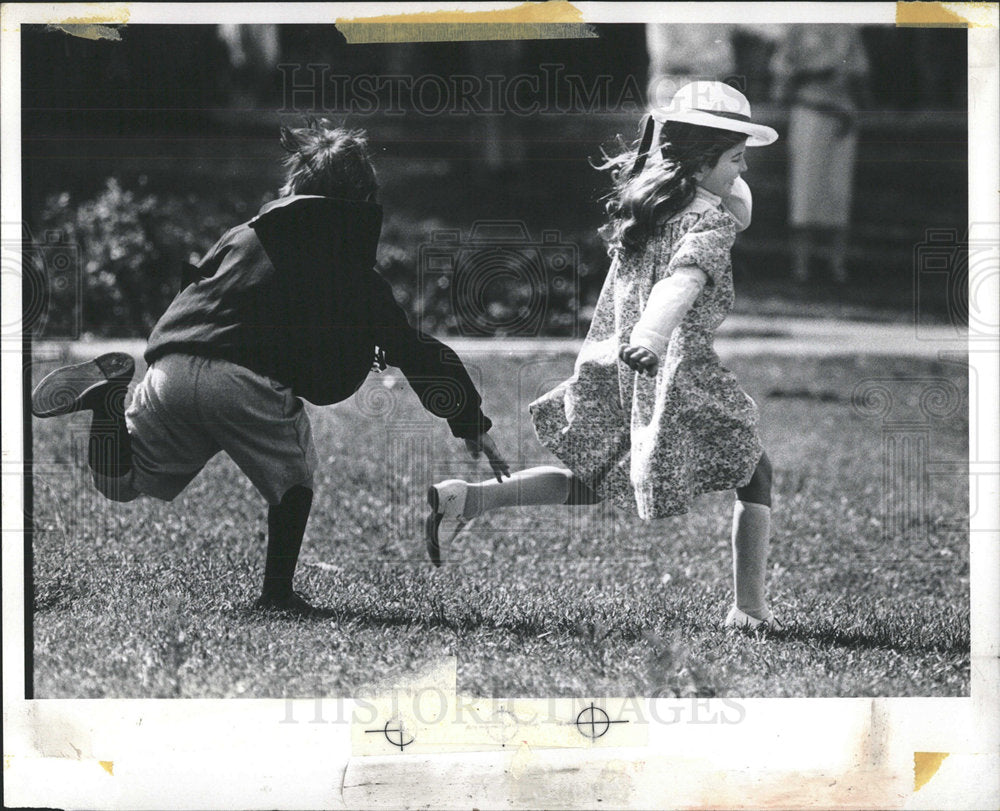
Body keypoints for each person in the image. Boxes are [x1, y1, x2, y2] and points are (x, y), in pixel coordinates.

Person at [31, 119, 510, 618]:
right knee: (294, 479)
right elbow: (415, 351)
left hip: (169, 365)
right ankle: (277, 596)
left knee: (121, 484)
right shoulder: (351, 271)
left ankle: (107, 403)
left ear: (293, 191)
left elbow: (194, 285)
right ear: (364, 203)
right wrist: (470, 423)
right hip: (243, 385)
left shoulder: (241, 237)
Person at [426, 82, 783, 631]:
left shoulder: (649, 206)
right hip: (670, 367)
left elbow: (740, 206)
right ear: (700, 160)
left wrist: (719, 174)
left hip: (615, 364)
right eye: (736, 159)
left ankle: (469, 500)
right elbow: (681, 285)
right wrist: (655, 337)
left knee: (593, 481)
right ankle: (749, 610)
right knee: (754, 473)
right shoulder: (705, 223)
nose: (741, 172)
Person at [769, 25, 871, 283]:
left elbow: (860, 71)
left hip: (842, 113)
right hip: (810, 109)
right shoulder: (798, 28)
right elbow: (781, 72)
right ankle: (801, 266)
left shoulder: (848, 29)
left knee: (838, 189)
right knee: (806, 189)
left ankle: (837, 265)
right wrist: (814, 73)